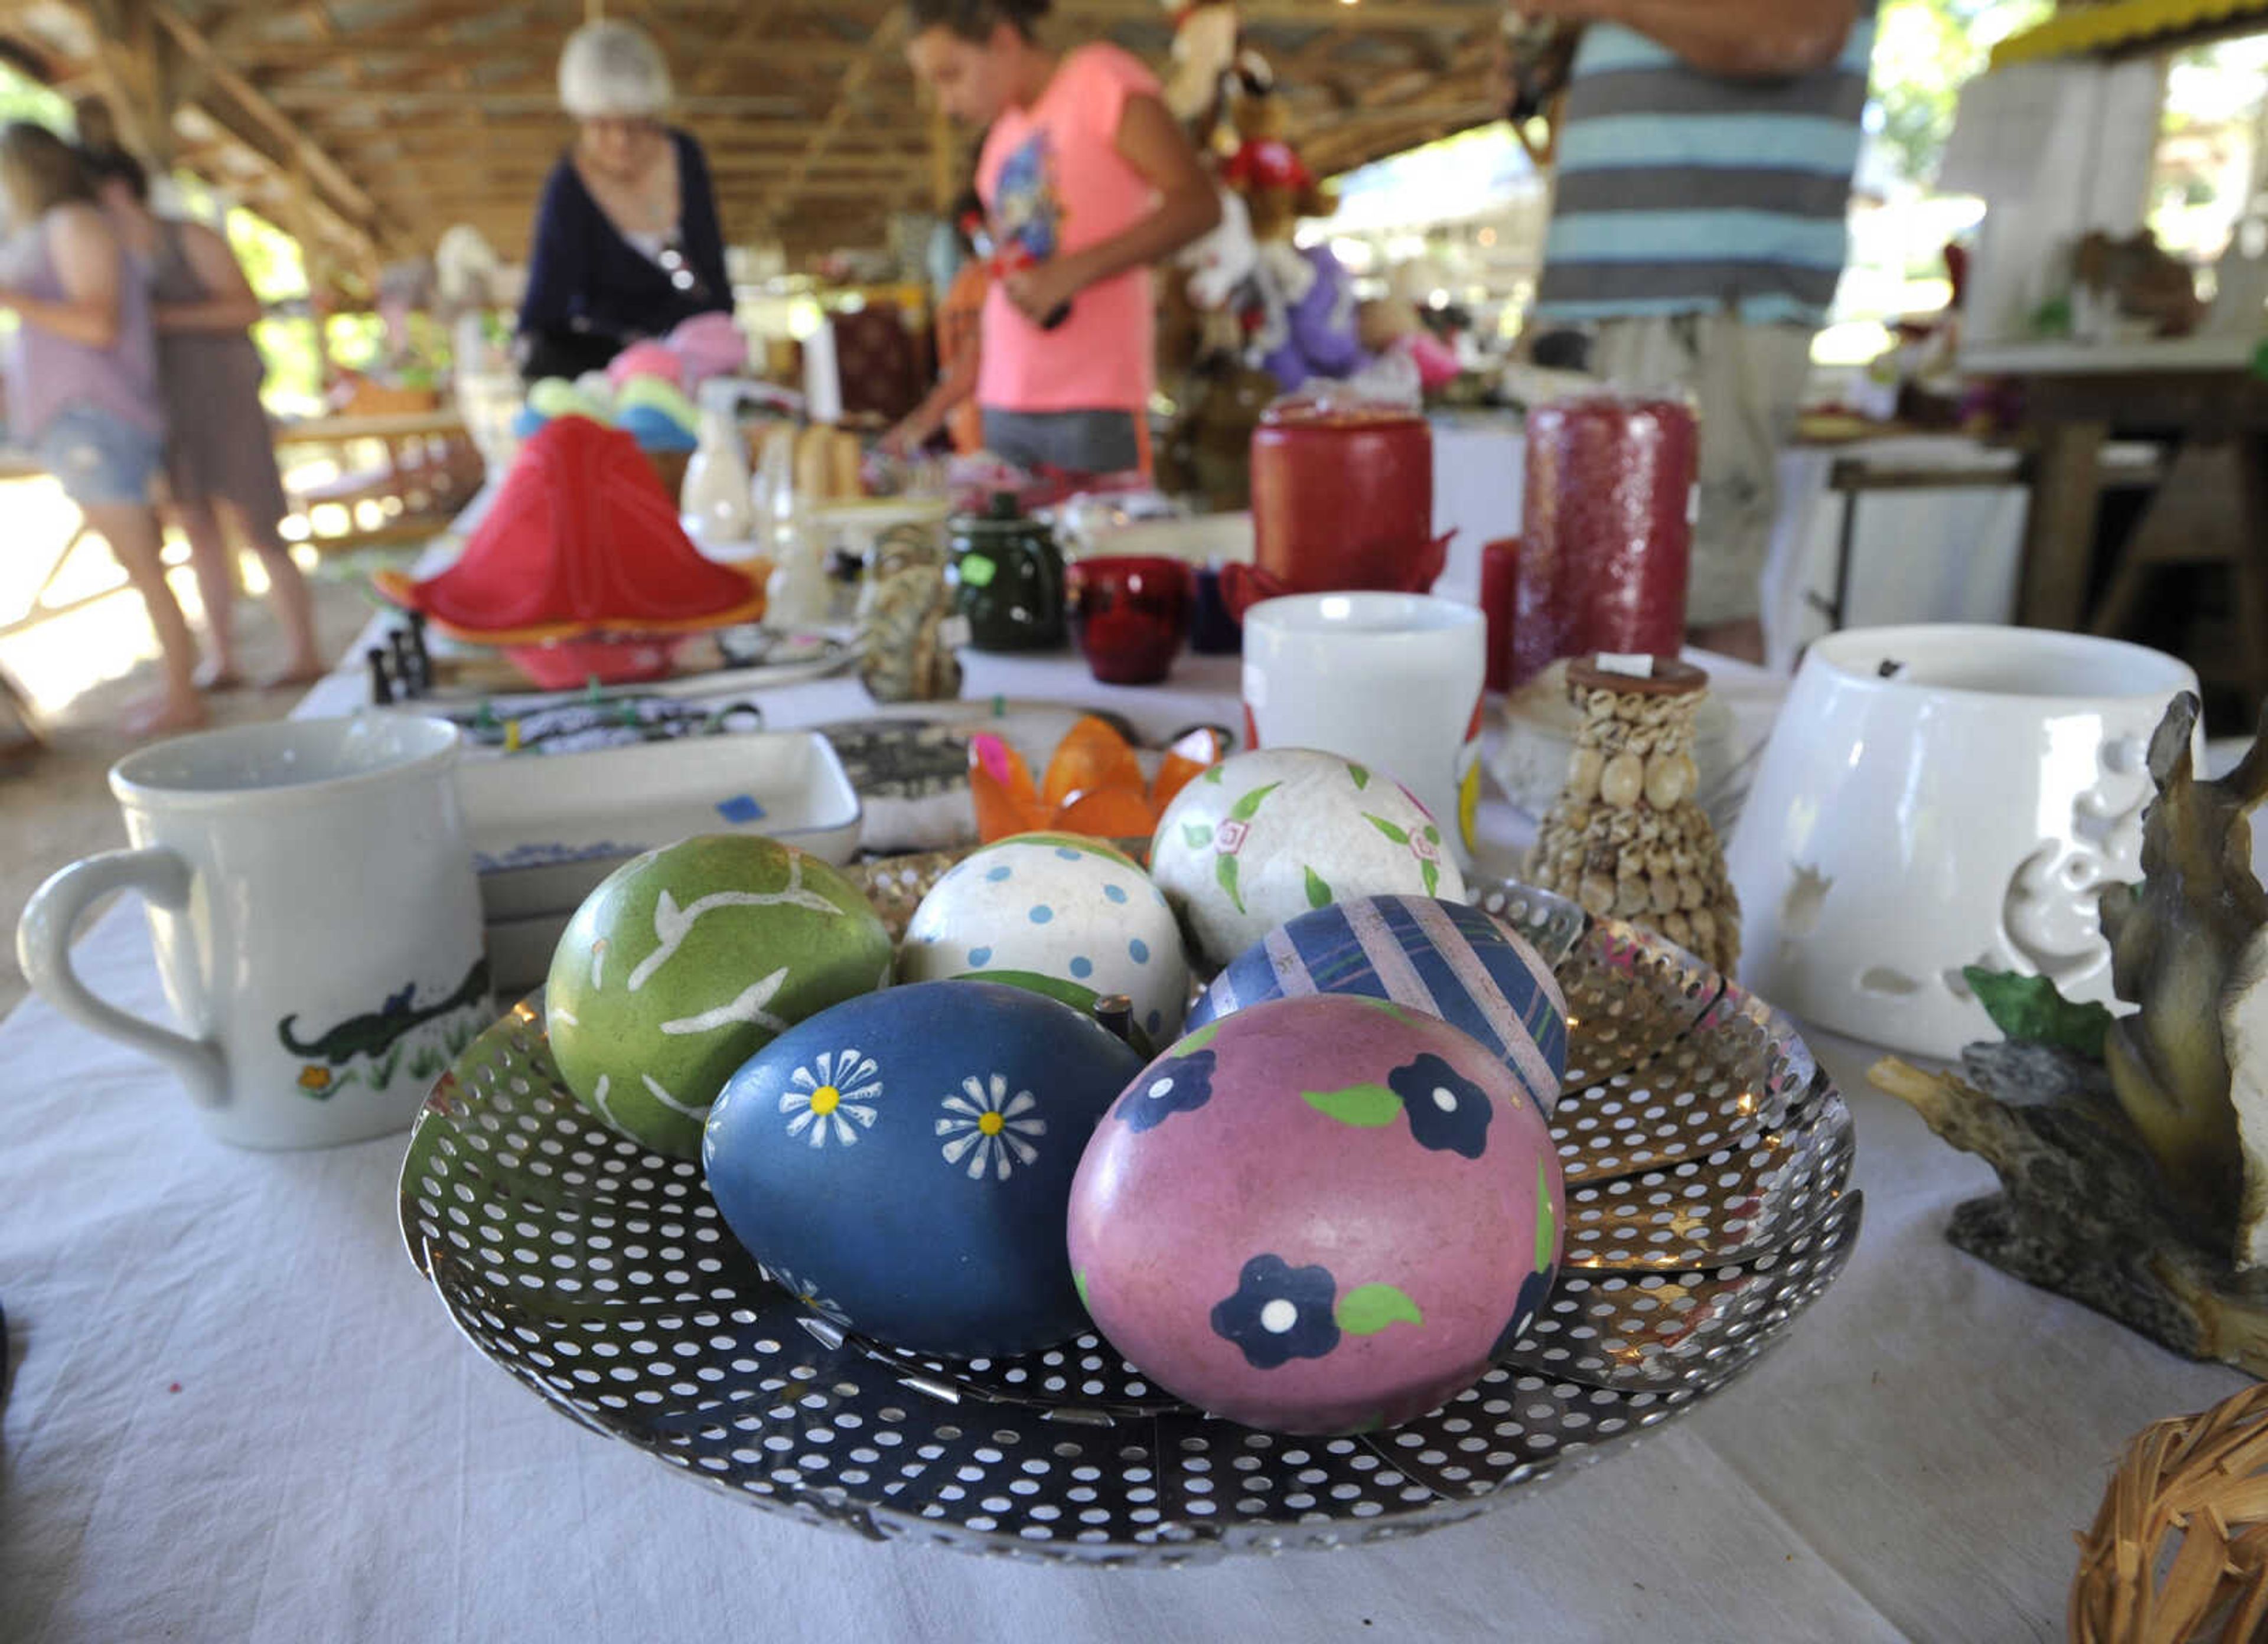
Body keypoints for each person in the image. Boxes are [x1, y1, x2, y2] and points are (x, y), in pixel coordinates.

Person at [1514, 0, 1874, 663]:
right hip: (1621, 298)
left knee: (1697, 599)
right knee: (1597, 591)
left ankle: (1707, 770)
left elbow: (1797, 30)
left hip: (1700, 299)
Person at [905, 0, 1220, 477]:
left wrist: (1070, 273)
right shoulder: (999, 144)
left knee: (1100, 547)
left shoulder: (1098, 78)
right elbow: (1001, 292)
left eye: (951, 74)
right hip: (1002, 401)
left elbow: (1198, 204)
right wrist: (937, 406)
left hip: (1092, 399)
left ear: (1003, 39)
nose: (947, 103)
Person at [83, 145, 324, 690]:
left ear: (115, 187)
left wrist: (160, 319)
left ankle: (305, 653)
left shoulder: (189, 238)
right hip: (163, 411)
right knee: (197, 533)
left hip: (225, 405)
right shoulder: (106, 255)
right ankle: (224, 659)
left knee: (260, 527)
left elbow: (246, 308)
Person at [0, 123, 202, 734]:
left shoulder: (74, 223)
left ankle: (184, 699)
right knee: (140, 564)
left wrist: (11, 298)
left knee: (145, 567)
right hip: (75, 422)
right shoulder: (53, 228)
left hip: (98, 419)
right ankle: (178, 691)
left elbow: (98, 325)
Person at [516, 19, 731, 383]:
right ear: (580, 118)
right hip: (611, 371)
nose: (620, 142)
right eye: (602, 126)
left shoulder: (685, 157)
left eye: (636, 125)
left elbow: (712, 285)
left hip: (694, 364)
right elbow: (544, 309)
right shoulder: (568, 189)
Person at [883, 191, 990, 458]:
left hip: (986, 434)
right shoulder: (978, 285)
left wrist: (918, 424)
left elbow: (968, 370)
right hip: (980, 431)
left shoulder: (975, 287)